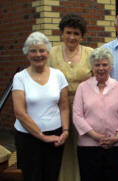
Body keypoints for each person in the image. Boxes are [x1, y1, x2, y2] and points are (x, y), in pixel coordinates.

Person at [12, 32, 69, 181]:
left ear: (48, 52)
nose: (38, 54)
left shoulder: (58, 75)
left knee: (52, 175)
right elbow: (20, 113)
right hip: (28, 137)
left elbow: (64, 106)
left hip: (55, 136)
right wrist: (42, 137)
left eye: (42, 50)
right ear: (27, 54)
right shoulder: (20, 78)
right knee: (32, 176)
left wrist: (66, 130)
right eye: (33, 51)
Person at [47, 13, 93, 181]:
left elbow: (97, 80)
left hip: (85, 108)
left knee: (83, 146)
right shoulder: (51, 53)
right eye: (68, 32)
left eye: (76, 33)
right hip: (59, 108)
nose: (72, 37)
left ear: (82, 36)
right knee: (63, 147)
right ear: (62, 33)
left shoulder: (90, 53)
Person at [72, 48, 118, 181]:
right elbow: (77, 116)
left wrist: (117, 136)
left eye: (104, 65)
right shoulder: (82, 87)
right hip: (88, 146)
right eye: (97, 65)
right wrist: (96, 136)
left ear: (110, 66)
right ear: (92, 67)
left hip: (115, 145)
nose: (101, 68)